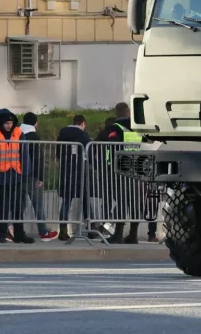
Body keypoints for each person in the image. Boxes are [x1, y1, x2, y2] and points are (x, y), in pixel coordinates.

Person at [97, 102, 152, 244]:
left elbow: (108, 147)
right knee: (134, 203)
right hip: (136, 171)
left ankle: (118, 234)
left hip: (120, 171)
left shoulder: (116, 129)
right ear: (128, 113)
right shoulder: (137, 128)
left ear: (117, 113)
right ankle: (133, 235)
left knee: (122, 202)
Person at [0, 109, 34, 244]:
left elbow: (24, 155)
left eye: (11, 122)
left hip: (15, 175)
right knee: (2, 207)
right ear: (1, 123)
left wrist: (25, 173)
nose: (9, 125)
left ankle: (19, 235)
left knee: (17, 207)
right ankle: (1, 234)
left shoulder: (19, 133)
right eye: (6, 123)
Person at [56, 115, 97, 240]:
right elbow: (90, 154)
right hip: (80, 172)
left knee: (66, 202)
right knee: (85, 201)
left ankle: (63, 231)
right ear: (83, 123)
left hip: (66, 172)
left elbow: (58, 153)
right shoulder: (83, 137)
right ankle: (91, 229)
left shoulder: (62, 134)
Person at [19, 112, 57, 241]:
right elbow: (38, 159)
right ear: (35, 123)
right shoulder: (34, 136)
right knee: (38, 205)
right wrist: (40, 177)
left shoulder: (17, 135)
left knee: (20, 205)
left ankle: (11, 229)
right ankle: (44, 232)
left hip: (17, 175)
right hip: (32, 176)